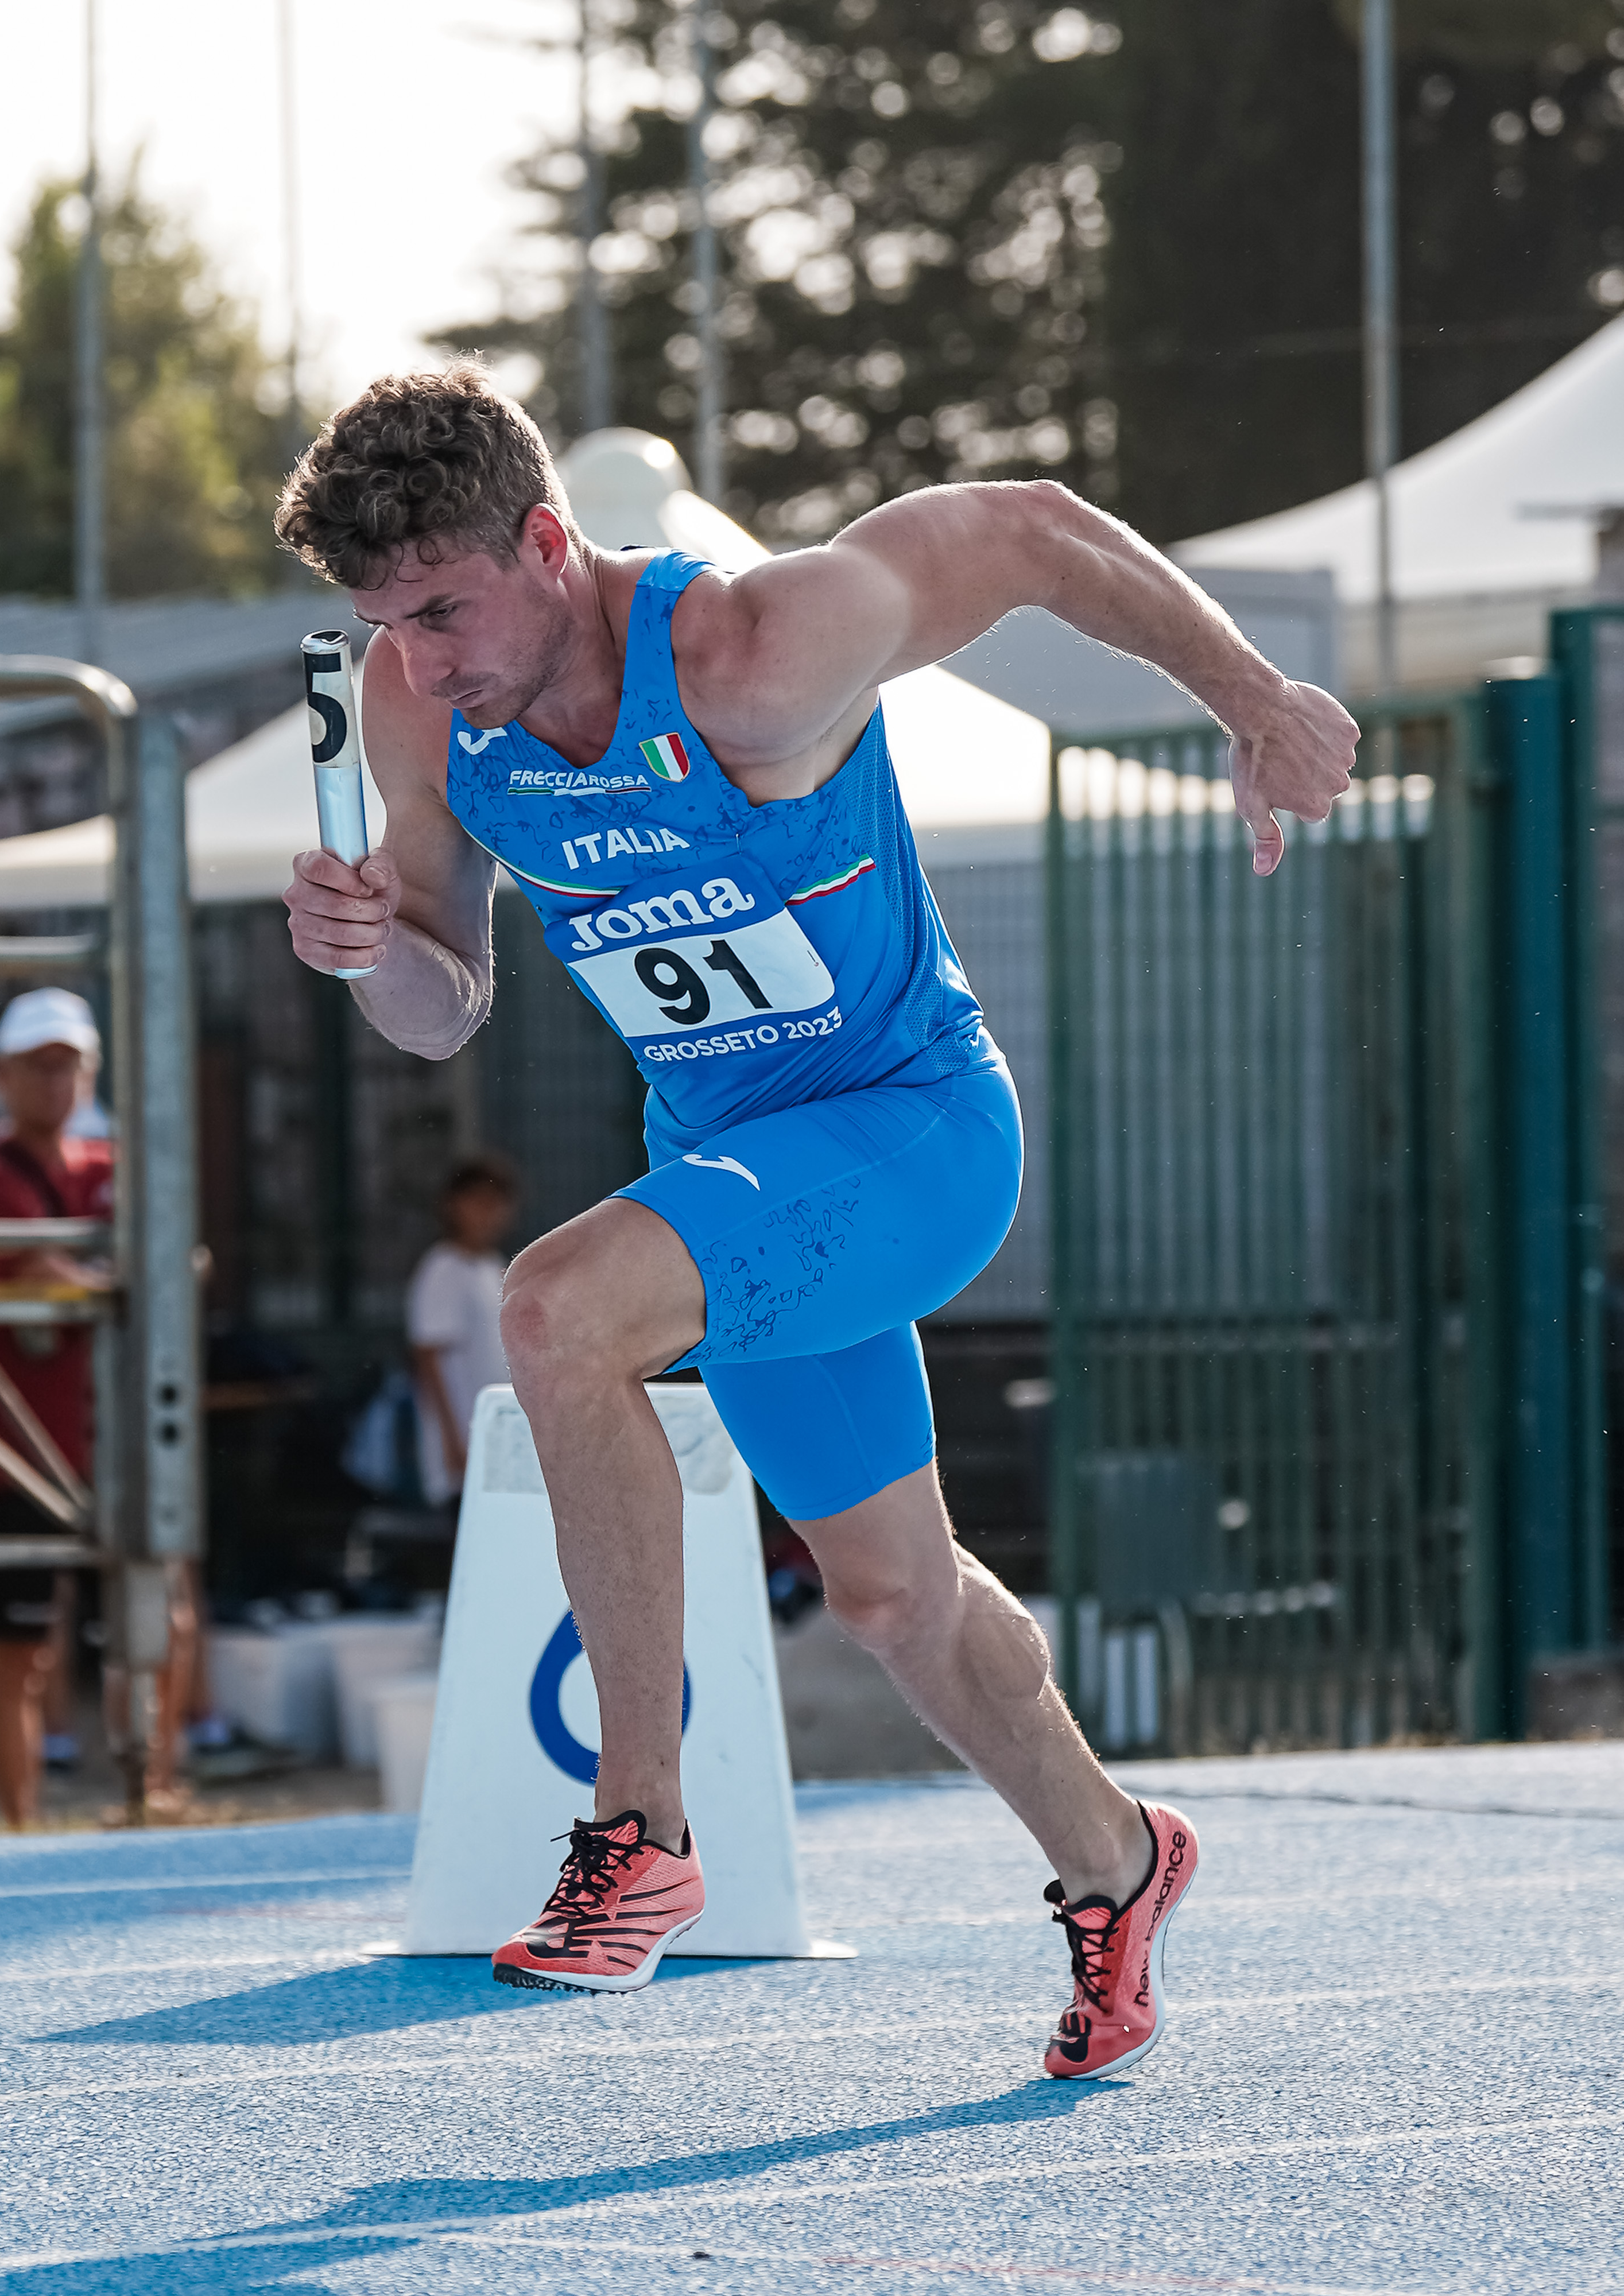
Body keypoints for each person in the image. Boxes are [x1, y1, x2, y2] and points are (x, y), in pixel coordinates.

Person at [278, 364, 1356, 2076]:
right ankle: (1117, 1855)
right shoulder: (420, 710)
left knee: (556, 1310)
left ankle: (638, 1826)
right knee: (891, 1597)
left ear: (546, 544)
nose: (415, 660)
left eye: (440, 611)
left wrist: (1254, 696)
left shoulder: (755, 650)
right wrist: (364, 951)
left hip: (910, 1136)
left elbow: (1031, 530)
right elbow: (441, 1006)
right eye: (380, 625)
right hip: (743, 1178)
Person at [0, 988, 114, 1827]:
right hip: (13, 1452)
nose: (56, 1082)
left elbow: (171, 1256)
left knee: (154, 1616)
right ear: (1, 1077)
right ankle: (18, 1826)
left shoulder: (102, 1167)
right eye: (38, 1066)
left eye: (69, 1065)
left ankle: (151, 1796)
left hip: (100, 1443)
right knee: (19, 1648)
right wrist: (113, 1277)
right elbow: (47, 1277)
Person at [408, 1154, 518, 1510]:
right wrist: (452, 1441)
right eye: (478, 1202)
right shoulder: (442, 1269)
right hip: (463, 1447)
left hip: (500, 1444)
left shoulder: (495, 1268)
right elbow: (427, 1359)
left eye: (496, 1203)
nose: (489, 1214)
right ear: (453, 1205)